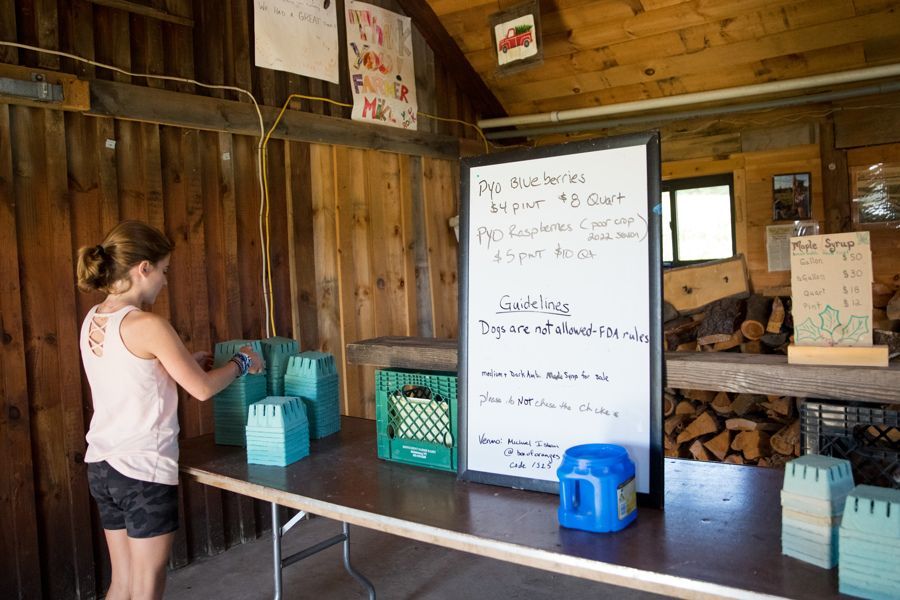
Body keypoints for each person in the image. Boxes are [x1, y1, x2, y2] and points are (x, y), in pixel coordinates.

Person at [76, 220, 264, 600]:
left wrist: (180, 360)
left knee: (123, 582)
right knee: (147, 587)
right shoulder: (149, 324)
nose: (165, 281)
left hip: (102, 465)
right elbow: (203, 389)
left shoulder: (94, 320)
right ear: (142, 268)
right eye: (163, 271)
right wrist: (243, 363)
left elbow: (129, 373)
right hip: (142, 471)